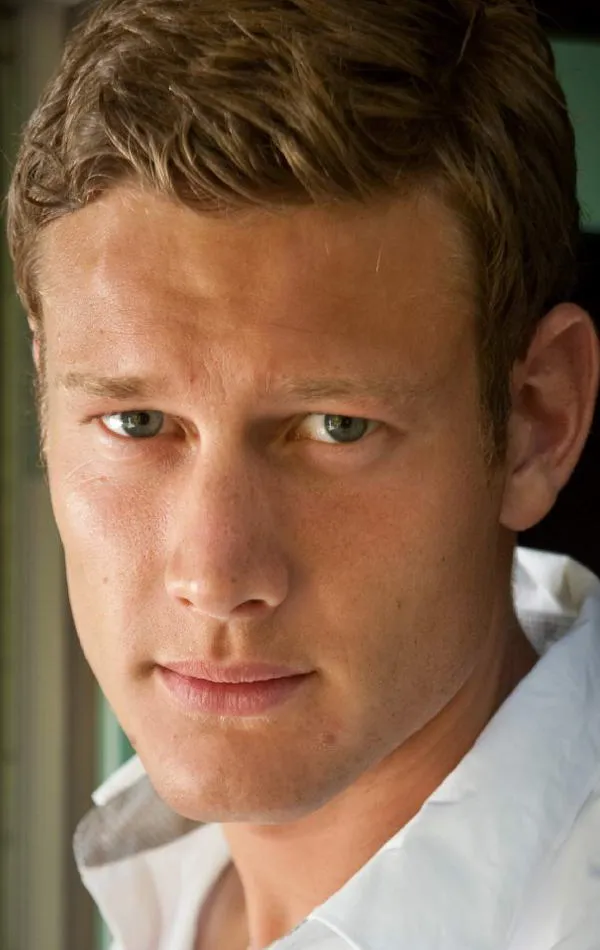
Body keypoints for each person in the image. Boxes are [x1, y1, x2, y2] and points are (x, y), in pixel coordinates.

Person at [6, 0, 600, 947]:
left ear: (537, 422)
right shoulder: (162, 881)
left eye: (335, 427)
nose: (215, 577)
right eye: (136, 421)